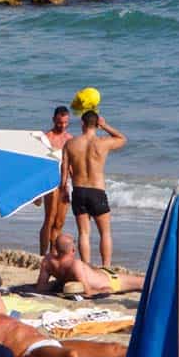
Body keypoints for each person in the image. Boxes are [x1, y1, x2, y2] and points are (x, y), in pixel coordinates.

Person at [60, 111, 125, 267]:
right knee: (105, 232)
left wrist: (63, 189)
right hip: (97, 191)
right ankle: (106, 267)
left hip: (79, 190)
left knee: (84, 233)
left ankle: (86, 267)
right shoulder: (103, 142)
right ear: (96, 124)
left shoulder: (70, 144)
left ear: (82, 124)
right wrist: (105, 126)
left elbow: (64, 168)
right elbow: (122, 139)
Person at [37, 234, 143, 297]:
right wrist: (103, 290)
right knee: (143, 282)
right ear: (73, 250)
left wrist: (59, 284)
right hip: (110, 281)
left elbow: (41, 287)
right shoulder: (75, 265)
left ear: (56, 248)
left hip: (103, 274)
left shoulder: (48, 261)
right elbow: (88, 292)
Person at [39, 106, 73, 256]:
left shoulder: (70, 139)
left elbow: (72, 165)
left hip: (65, 182)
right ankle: (42, 254)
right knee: (49, 219)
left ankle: (53, 253)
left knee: (59, 222)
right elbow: (40, 165)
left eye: (65, 122)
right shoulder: (47, 138)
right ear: (54, 120)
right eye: (60, 122)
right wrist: (38, 192)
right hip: (50, 182)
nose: (63, 126)